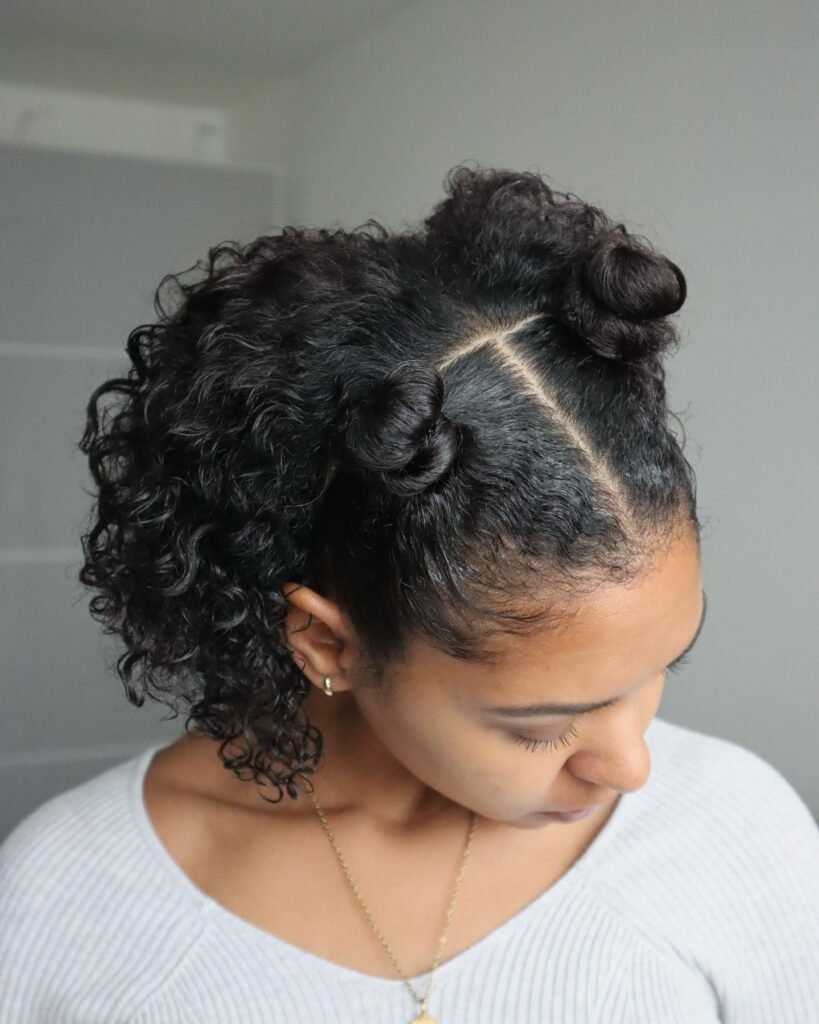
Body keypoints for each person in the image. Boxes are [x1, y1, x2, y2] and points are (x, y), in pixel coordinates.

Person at [1, 164, 817, 1024]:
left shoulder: (734, 824)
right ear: (326, 644)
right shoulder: (63, 901)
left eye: (657, 670)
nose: (632, 765)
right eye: (542, 725)